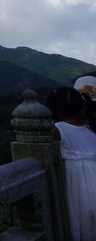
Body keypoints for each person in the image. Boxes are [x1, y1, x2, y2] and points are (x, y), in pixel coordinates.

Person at [47, 87, 96, 241]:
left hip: (76, 183)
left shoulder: (57, 130)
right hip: (92, 175)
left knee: (81, 219)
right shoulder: (91, 128)